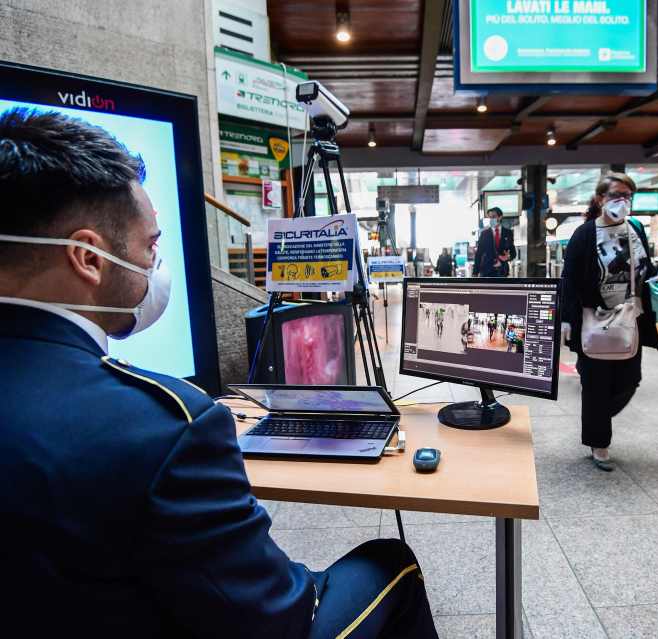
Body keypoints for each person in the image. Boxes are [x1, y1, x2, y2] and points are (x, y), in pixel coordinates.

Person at [0, 108, 438, 638]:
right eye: (151, 247)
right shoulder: (166, 428)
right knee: (391, 563)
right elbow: (281, 617)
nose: (157, 267)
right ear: (88, 257)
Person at [560, 172, 658, 471]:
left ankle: (597, 417)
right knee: (595, 383)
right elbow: (570, 280)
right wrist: (565, 319)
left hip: (631, 317)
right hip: (595, 318)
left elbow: (646, 267)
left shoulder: (636, 229)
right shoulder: (585, 234)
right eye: (616, 195)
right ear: (600, 199)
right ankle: (598, 442)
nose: (622, 201)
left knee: (631, 380)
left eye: (628, 196)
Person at [473, 207, 516, 277]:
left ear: (500, 217)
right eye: (490, 217)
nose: (491, 220)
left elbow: (513, 252)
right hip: (486, 271)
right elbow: (479, 254)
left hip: (502, 272)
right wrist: (475, 273)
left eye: (493, 217)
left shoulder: (508, 233)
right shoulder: (484, 234)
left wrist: (508, 257)